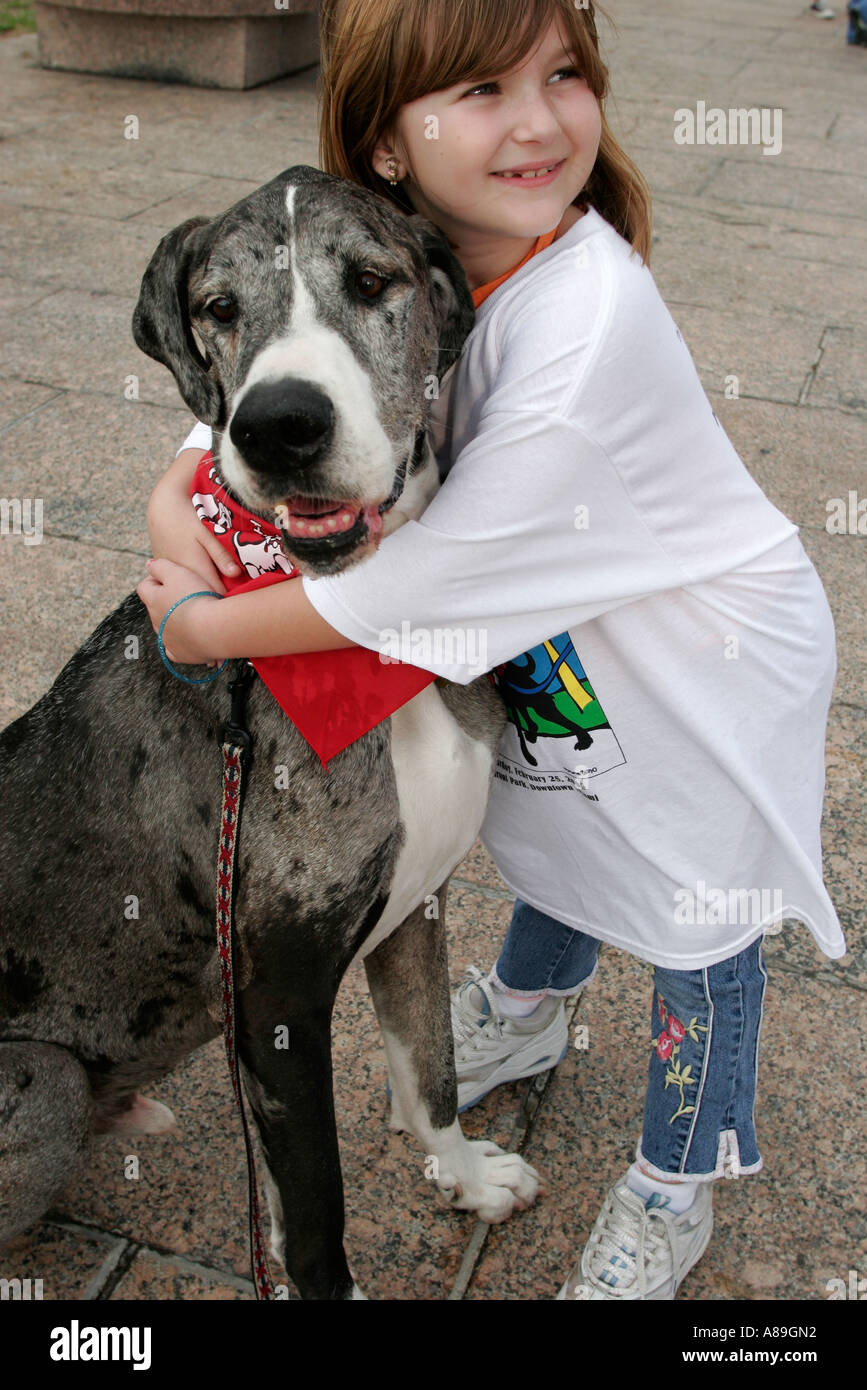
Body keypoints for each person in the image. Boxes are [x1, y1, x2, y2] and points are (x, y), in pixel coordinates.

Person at [139, 0, 845, 1300]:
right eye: (480, 87)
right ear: (388, 147)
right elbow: (246, 409)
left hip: (698, 666)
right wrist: (171, 497)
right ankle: (524, 1010)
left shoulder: (588, 326)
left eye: (564, 73)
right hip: (568, 648)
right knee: (567, 834)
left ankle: (676, 1176)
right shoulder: (388, 248)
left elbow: (423, 588)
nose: (536, 120)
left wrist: (204, 624)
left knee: (700, 917)